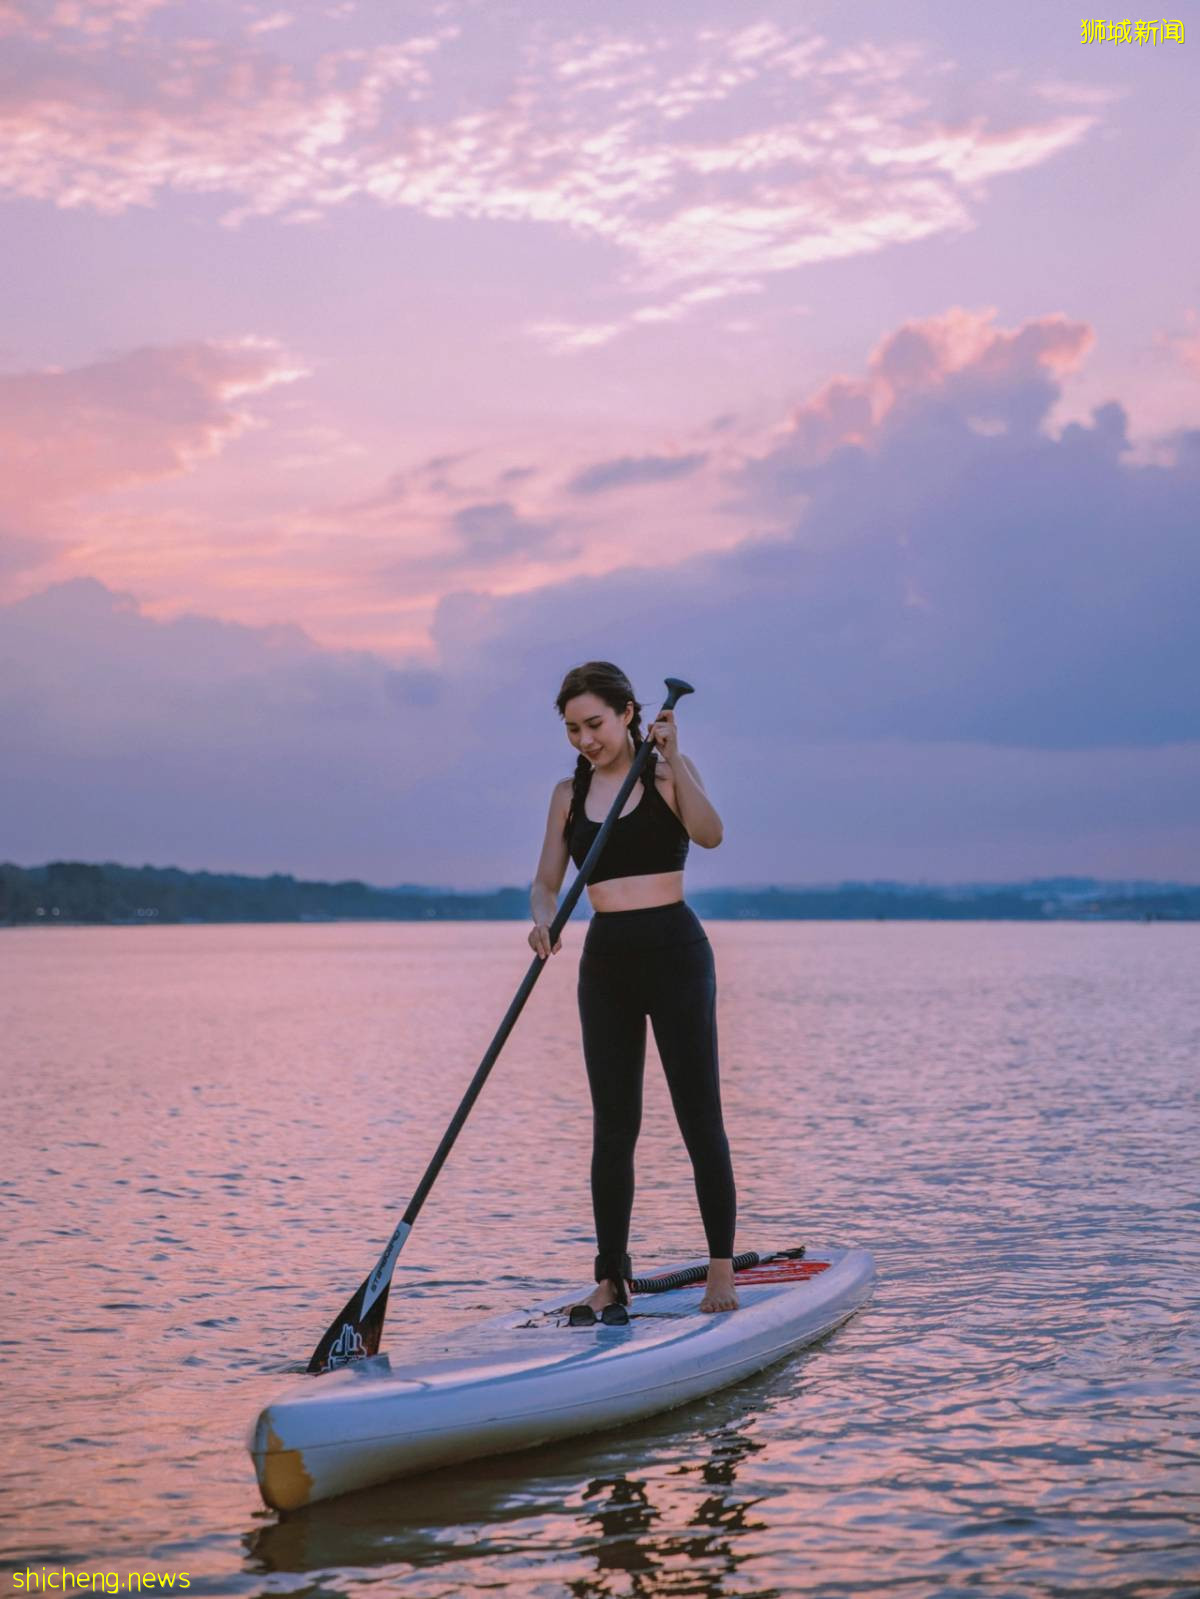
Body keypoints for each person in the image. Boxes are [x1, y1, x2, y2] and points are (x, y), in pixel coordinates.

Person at [529, 661, 739, 1323]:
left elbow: (711, 834)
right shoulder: (568, 793)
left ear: (627, 713)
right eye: (572, 728)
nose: (584, 738)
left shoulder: (667, 769)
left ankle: (721, 1268)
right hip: (607, 962)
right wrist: (541, 920)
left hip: (676, 952)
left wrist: (677, 763)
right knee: (614, 1125)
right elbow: (545, 881)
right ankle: (611, 1277)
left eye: (594, 723)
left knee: (698, 1114)